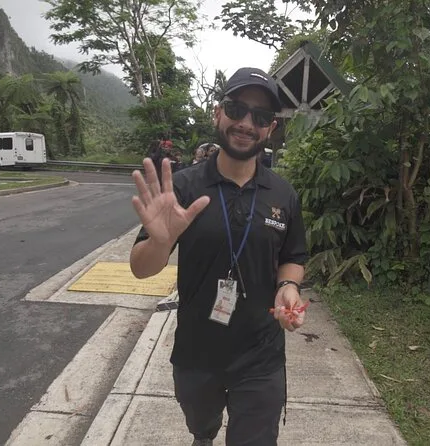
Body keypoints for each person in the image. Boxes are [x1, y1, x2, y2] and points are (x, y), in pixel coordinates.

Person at [129, 67, 307, 446]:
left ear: (271, 128)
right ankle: (204, 435)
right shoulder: (183, 187)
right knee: (201, 425)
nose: (246, 123)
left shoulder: (283, 194)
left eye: (260, 117)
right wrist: (160, 242)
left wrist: (288, 286)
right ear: (218, 113)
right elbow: (141, 269)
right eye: (237, 109)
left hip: (261, 353)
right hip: (197, 350)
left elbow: (293, 255)